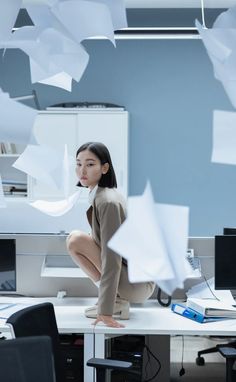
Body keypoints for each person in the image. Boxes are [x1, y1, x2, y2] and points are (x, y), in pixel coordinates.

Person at [67, 142, 155, 328]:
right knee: (76, 240)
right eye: (78, 164)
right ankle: (115, 300)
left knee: (76, 240)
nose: (82, 170)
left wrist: (105, 312)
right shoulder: (100, 196)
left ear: (105, 168)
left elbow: (112, 257)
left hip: (137, 284)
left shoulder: (108, 202)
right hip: (131, 278)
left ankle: (113, 303)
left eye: (90, 164)